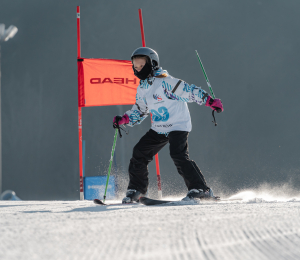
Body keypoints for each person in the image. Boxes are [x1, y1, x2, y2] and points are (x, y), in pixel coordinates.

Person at [113, 47, 223, 204]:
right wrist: (124, 119)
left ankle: (201, 189)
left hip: (178, 125)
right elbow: (141, 110)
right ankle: (136, 190)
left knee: (178, 154)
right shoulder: (143, 88)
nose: (137, 68)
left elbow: (189, 91)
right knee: (139, 152)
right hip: (160, 128)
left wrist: (209, 101)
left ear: (152, 63)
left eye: (141, 64)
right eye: (135, 65)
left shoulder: (166, 82)